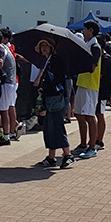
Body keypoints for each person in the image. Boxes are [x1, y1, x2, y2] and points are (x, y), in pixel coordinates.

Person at [33, 39, 73, 169]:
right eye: (42, 46)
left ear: (51, 48)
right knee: (49, 127)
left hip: (57, 99)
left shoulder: (55, 61)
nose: (44, 48)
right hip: (51, 99)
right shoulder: (48, 61)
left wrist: (45, 87)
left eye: (46, 46)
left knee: (57, 127)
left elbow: (58, 79)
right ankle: (51, 157)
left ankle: (68, 155)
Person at [72, 20, 102, 158]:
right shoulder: (87, 45)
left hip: (90, 86)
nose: (82, 32)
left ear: (91, 31)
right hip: (82, 84)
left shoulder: (95, 47)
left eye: (84, 29)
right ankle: (83, 144)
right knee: (78, 114)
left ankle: (92, 146)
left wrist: (79, 63)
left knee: (90, 116)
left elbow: (92, 67)